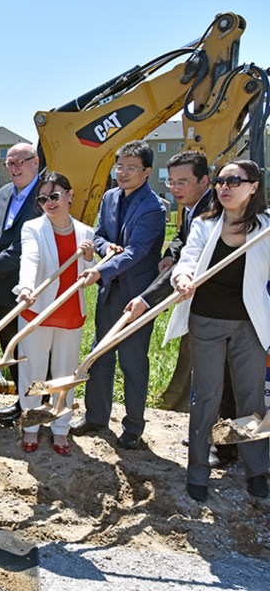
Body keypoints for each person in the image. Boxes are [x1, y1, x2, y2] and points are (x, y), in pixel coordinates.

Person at [164, 159, 270, 501]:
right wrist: (181, 277)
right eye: (221, 181)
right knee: (206, 397)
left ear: (253, 186)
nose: (225, 187)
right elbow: (188, 259)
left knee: (250, 398)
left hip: (250, 325)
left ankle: (256, 470)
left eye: (234, 181)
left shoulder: (266, 228)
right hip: (206, 322)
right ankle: (197, 471)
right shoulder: (205, 224)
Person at [73, 140, 166, 449]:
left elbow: (137, 252)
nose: (123, 173)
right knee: (100, 355)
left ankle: (133, 427)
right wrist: (104, 249)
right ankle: (96, 417)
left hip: (136, 296)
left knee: (132, 361)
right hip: (109, 292)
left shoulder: (154, 207)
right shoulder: (110, 197)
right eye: (120, 166)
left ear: (147, 171)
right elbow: (98, 235)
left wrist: (101, 270)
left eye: (131, 168)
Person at [13, 172, 95, 455]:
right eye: (43, 198)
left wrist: (88, 258)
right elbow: (31, 258)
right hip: (37, 309)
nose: (49, 203)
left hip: (71, 311)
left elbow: (92, 274)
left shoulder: (86, 232)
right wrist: (25, 288)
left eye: (55, 196)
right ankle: (32, 426)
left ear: (69, 195)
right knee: (33, 371)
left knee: (63, 374)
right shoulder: (33, 228)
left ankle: (61, 428)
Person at [125, 151, 212, 413]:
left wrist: (145, 299)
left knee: (211, 369)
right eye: (171, 182)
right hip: (194, 299)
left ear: (205, 181)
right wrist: (169, 255)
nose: (174, 189)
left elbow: (193, 258)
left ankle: (213, 433)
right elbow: (182, 239)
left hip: (213, 304)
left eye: (182, 182)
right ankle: (184, 408)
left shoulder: (212, 212)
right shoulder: (191, 206)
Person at [0, 142, 42, 423]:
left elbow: (30, 242)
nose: (14, 169)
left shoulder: (45, 194)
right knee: (11, 345)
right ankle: (22, 402)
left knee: (34, 348)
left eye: (20, 162)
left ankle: (41, 404)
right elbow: (1, 229)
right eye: (9, 164)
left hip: (33, 285)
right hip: (5, 287)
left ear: (35, 162)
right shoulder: (3, 193)